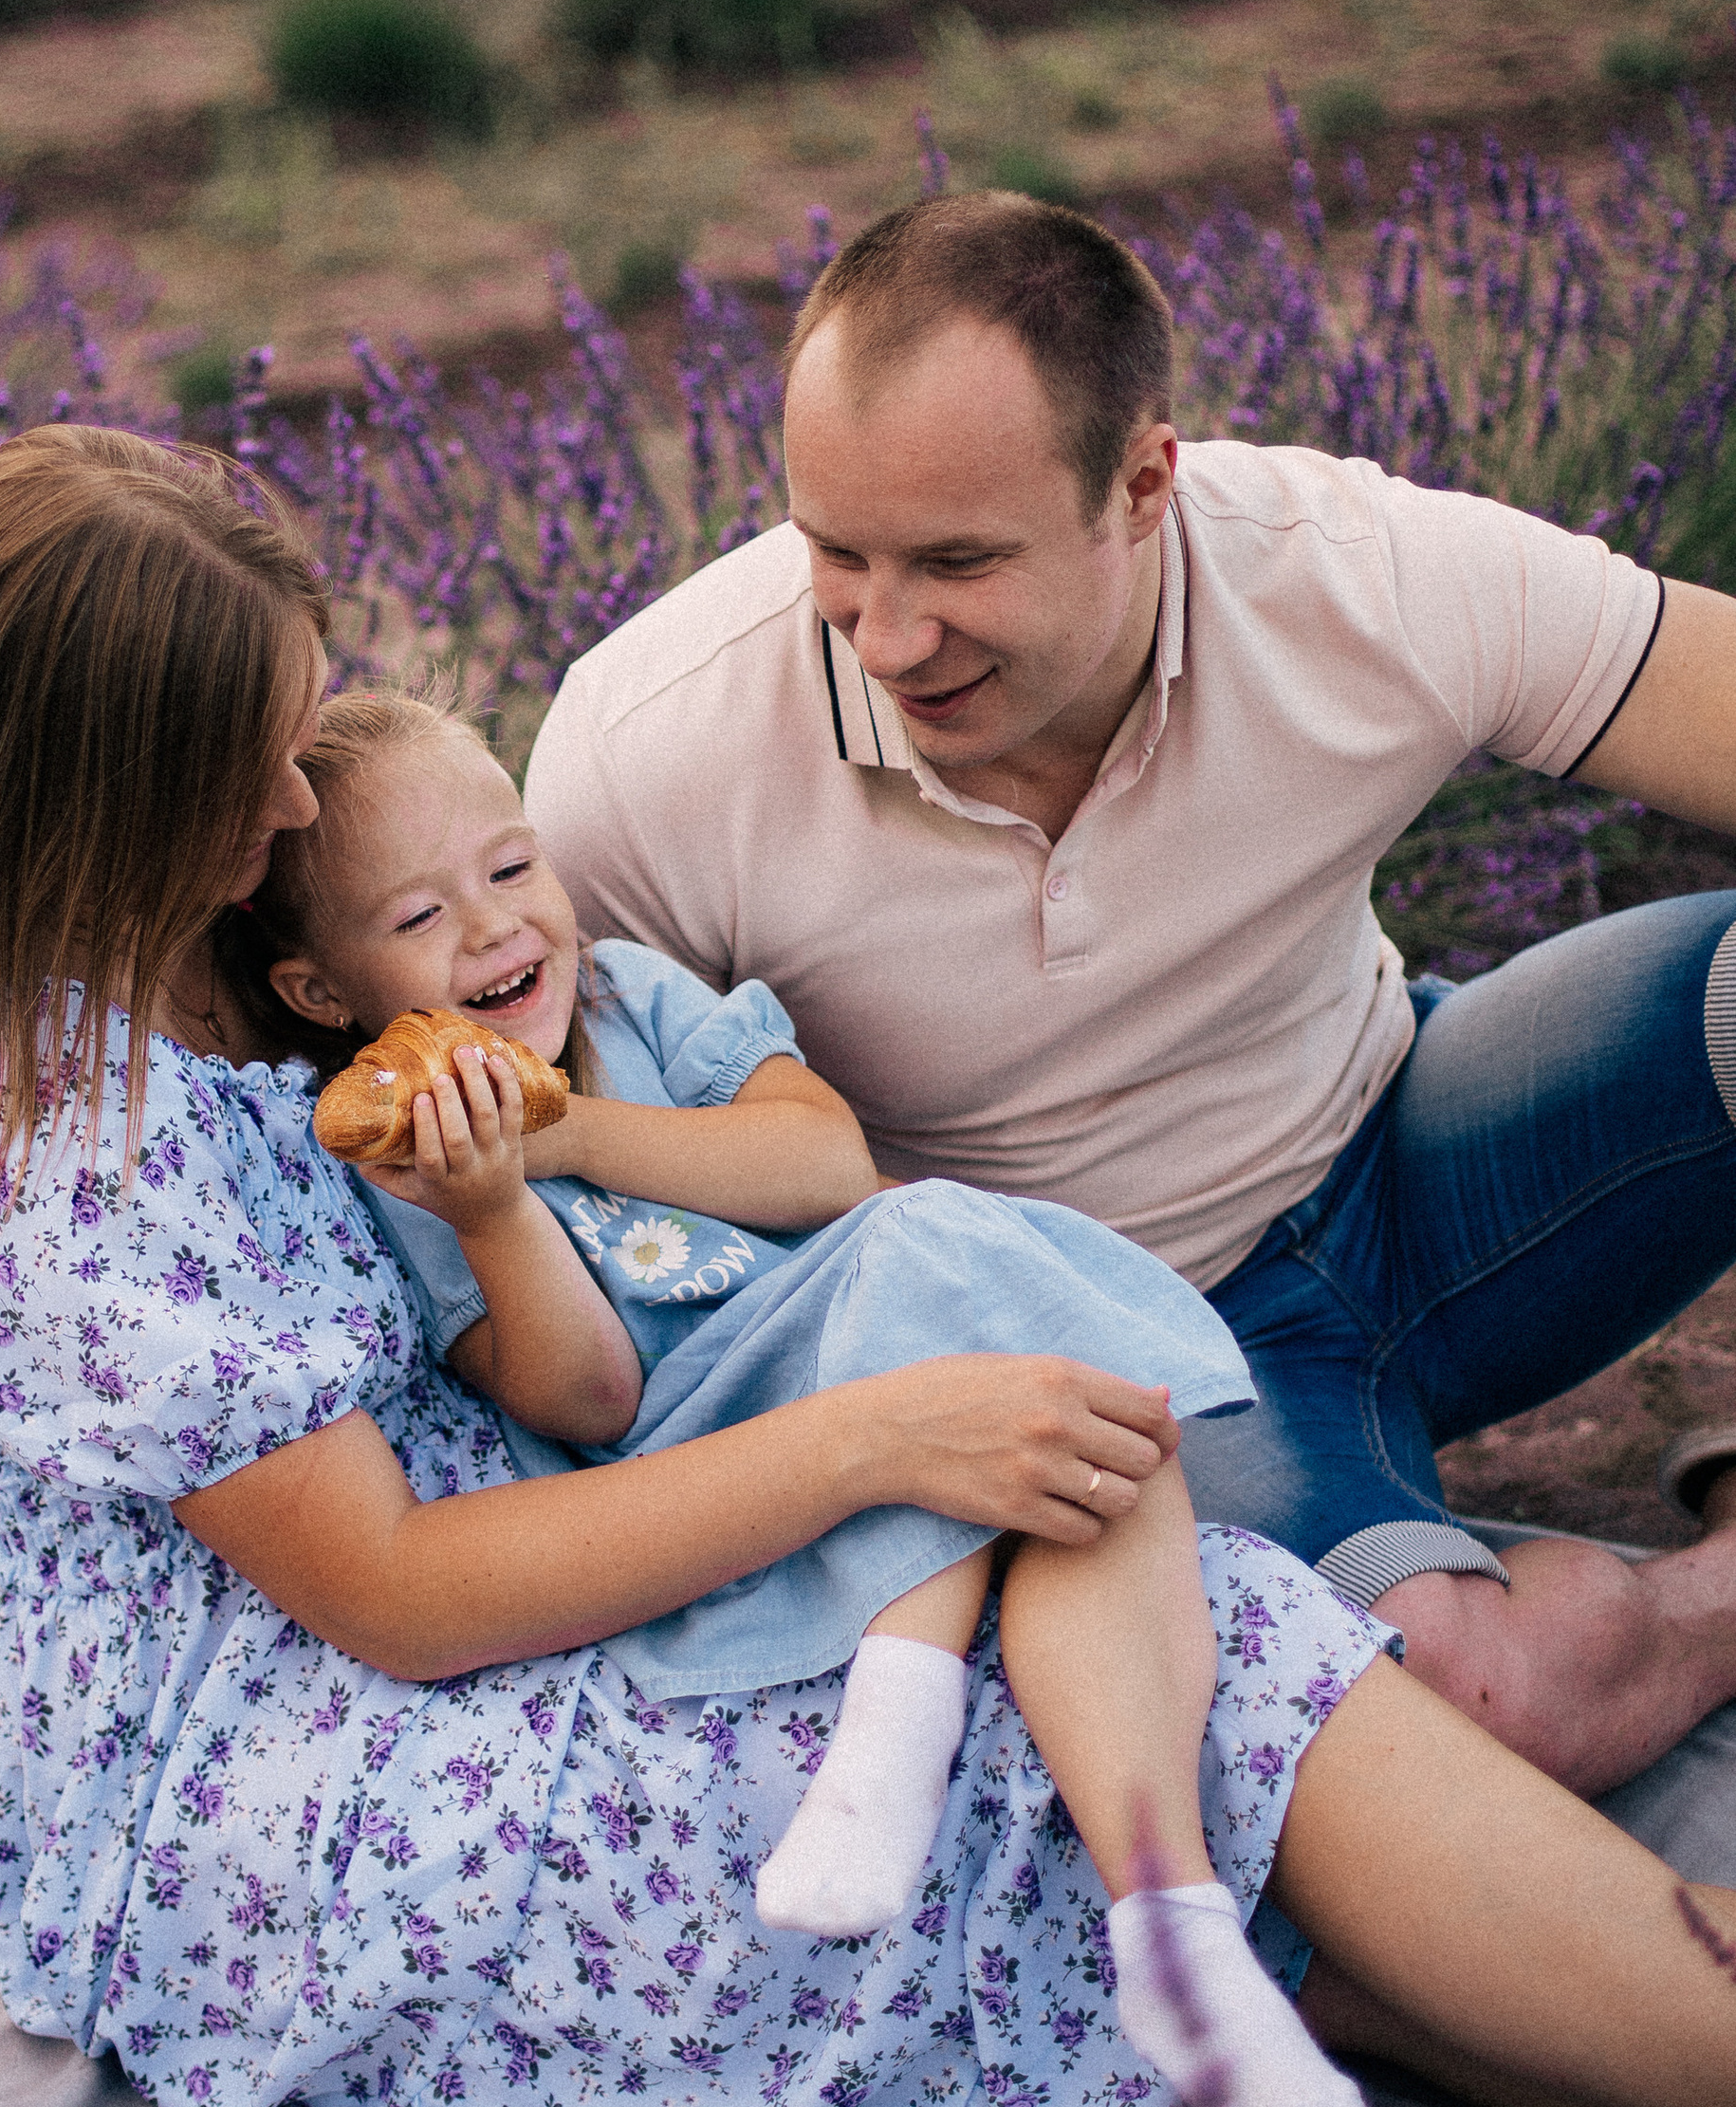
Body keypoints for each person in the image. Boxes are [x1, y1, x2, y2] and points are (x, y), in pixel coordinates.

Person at [0, 420, 1736, 2107]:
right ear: (97, 789)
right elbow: (391, 1597)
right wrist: (874, 1442)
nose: (299, 801)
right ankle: (1614, 2002)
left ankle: (1565, 1999)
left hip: (562, 1529)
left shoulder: (228, 961)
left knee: (1107, 1621)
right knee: (1140, 1675)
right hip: (308, 1787)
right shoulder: (26, 1150)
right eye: (248, 765)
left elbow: (700, 1180)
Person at [526, 191, 1736, 1799]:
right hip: (1127, 1371)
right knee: (1463, 1714)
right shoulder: (647, 757)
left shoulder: (1346, 568)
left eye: (959, 560)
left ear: (1146, 484)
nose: (886, 634)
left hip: (1435, 1156)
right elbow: (577, 1206)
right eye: (837, 552)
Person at [252, 686, 1371, 2107]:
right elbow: (593, 1404)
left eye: (513, 869)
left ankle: (1172, 1930)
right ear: (325, 994)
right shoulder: (406, 1164)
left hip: (866, 1368)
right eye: (417, 915)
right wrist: (499, 1205)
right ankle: (896, 1736)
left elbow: (824, 1163)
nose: (490, 928)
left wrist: (567, 1130)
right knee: (946, 1259)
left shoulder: (633, 1003)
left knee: (1083, 1435)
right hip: (711, 1473)